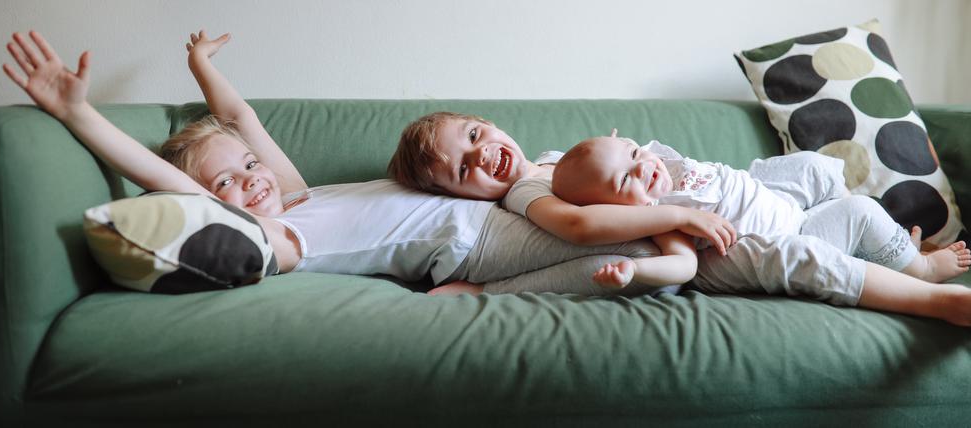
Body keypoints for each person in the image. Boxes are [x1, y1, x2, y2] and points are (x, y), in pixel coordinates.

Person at [2, 30, 686, 297]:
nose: (251, 179)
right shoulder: (288, 233)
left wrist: (202, 67)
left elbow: (244, 123)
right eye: (228, 183)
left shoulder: (301, 194)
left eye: (247, 166)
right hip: (474, 246)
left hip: (492, 215)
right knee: (631, 244)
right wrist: (77, 114)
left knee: (629, 214)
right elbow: (173, 183)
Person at [389, 114, 971, 326]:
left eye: (474, 136)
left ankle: (897, 253)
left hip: (764, 198)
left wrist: (634, 158)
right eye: (466, 169)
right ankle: (925, 279)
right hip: (742, 241)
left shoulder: (556, 159)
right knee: (805, 256)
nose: (482, 154)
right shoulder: (532, 195)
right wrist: (640, 264)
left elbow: (625, 167)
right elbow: (614, 242)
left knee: (822, 174)